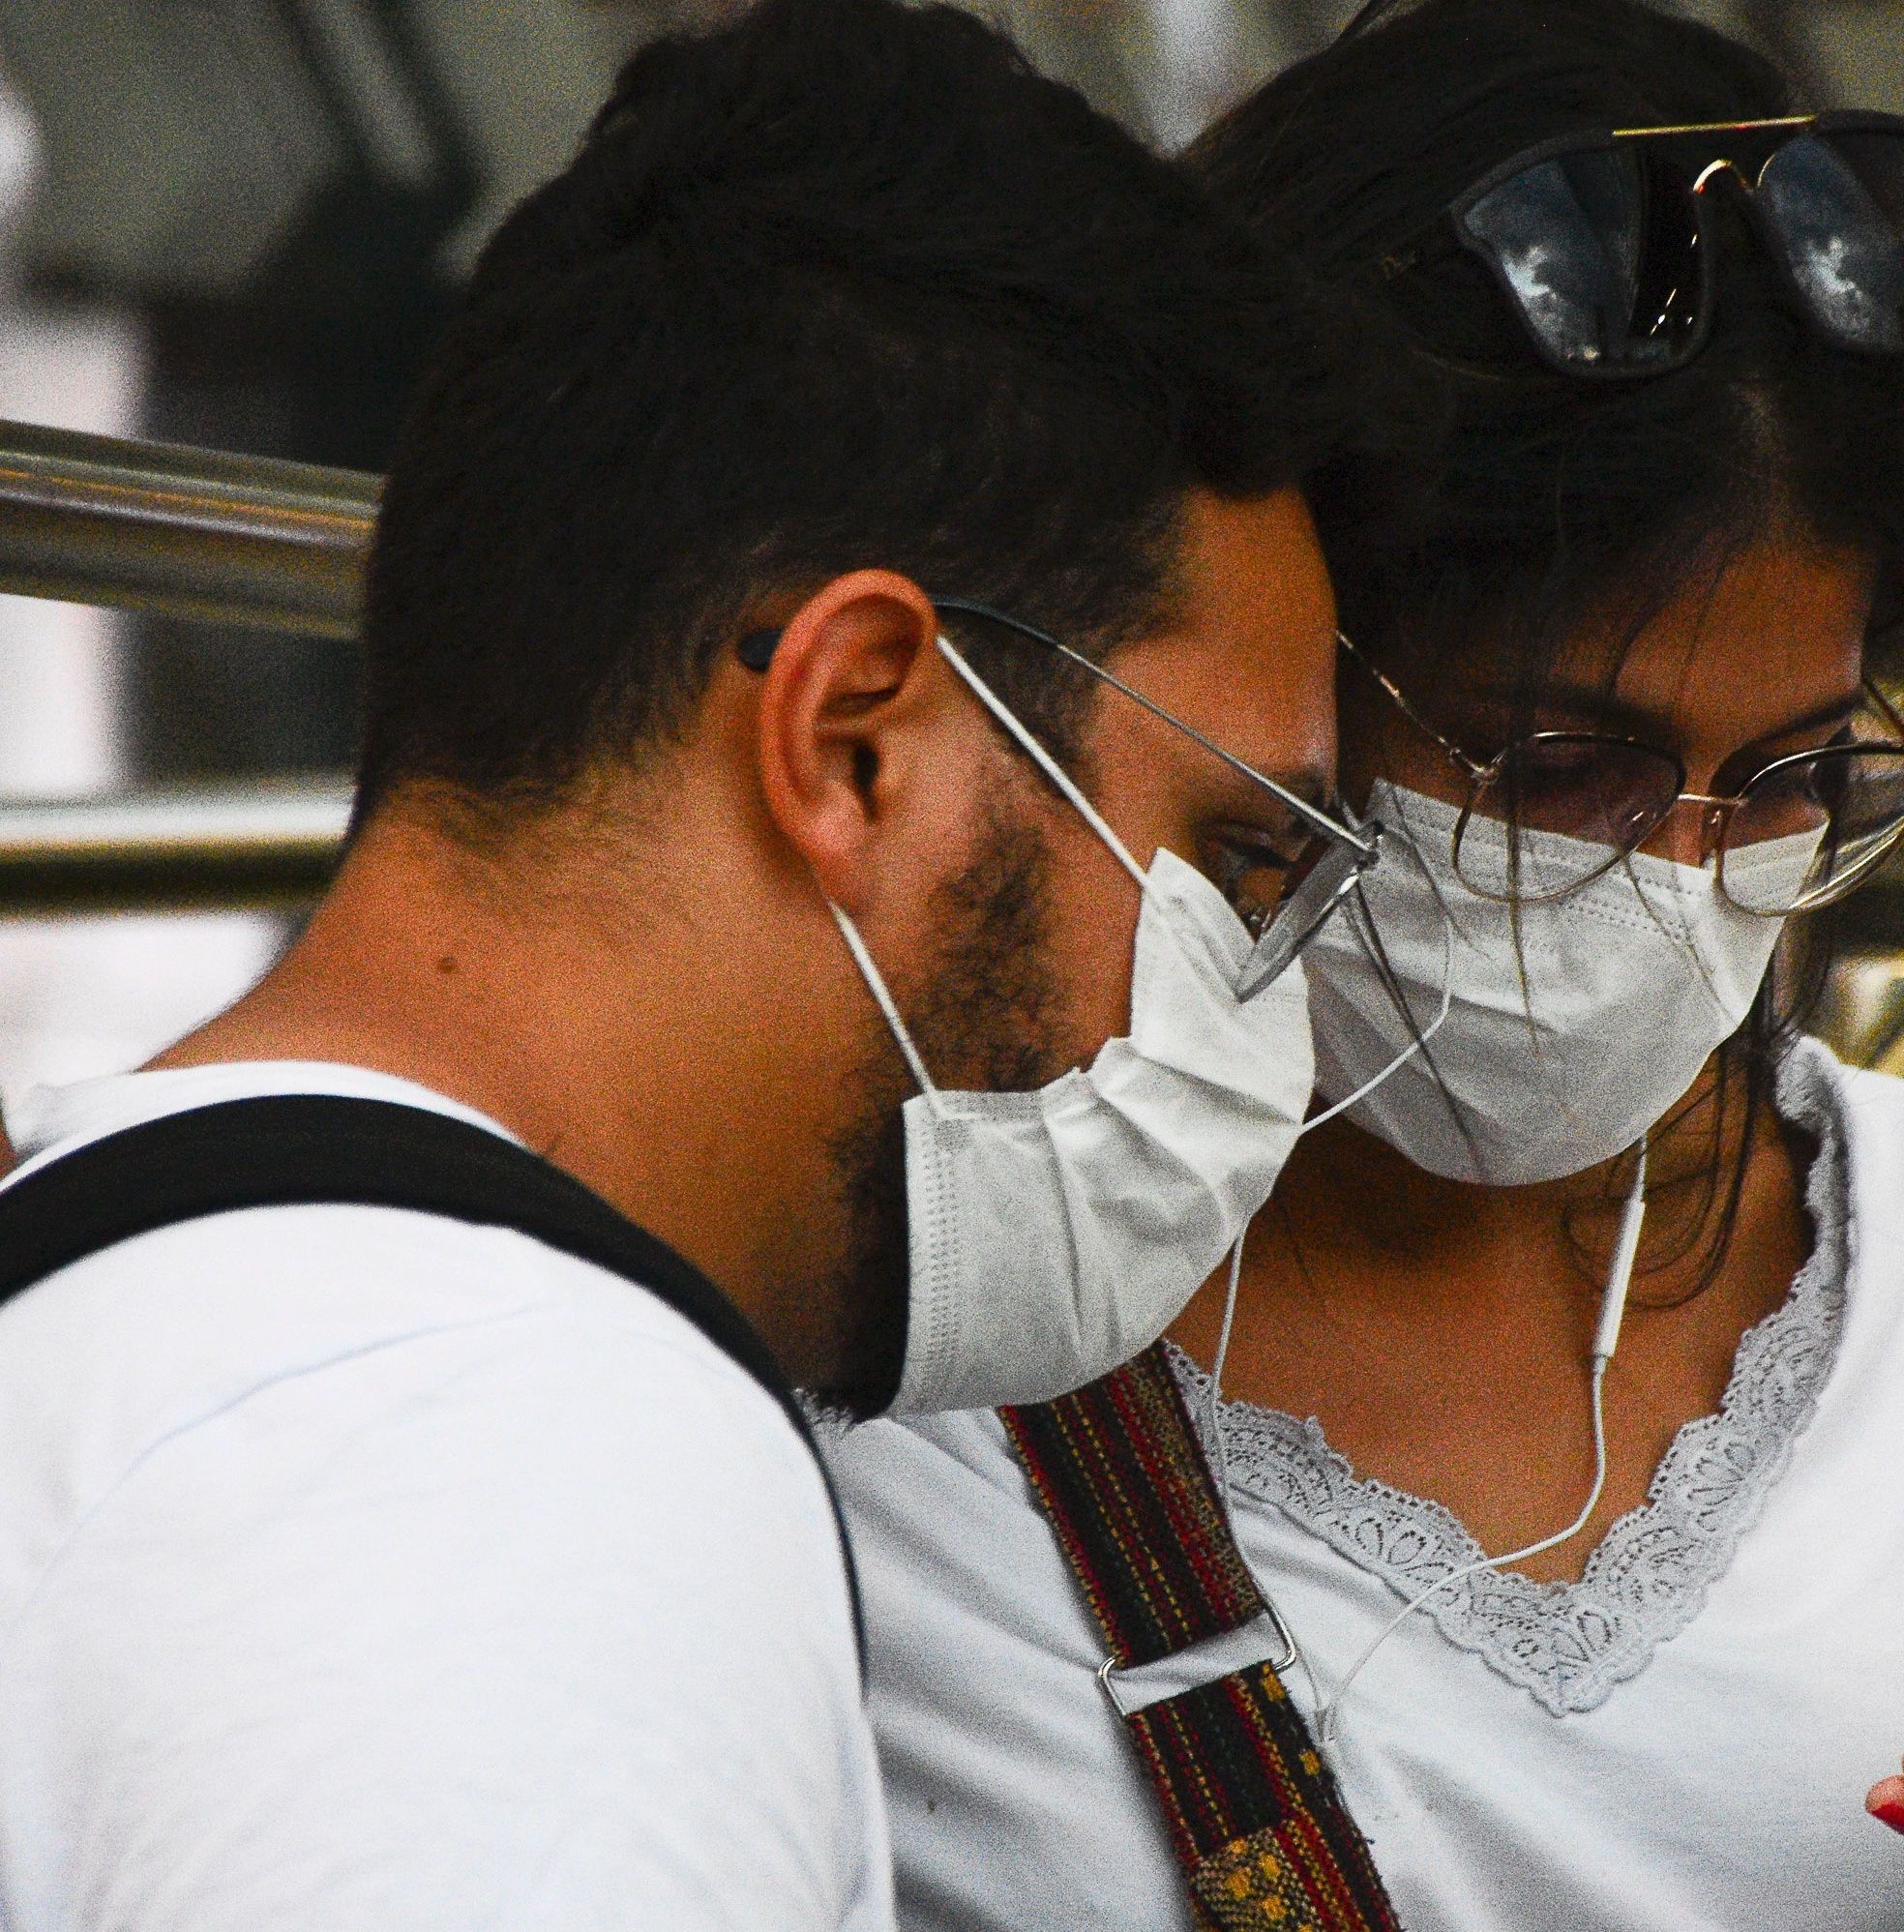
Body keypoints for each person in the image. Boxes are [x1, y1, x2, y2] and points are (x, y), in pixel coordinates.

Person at [822, 3, 1904, 1929]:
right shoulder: (914, 1325)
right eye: (1558, 769)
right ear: (1255, 656)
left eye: (1788, 779)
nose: (1676, 886)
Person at [0, 1, 1429, 1925]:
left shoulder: (145, 1318)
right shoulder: (518, 1472)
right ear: (854, 733)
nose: (1274, 1004)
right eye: (1238, 858)